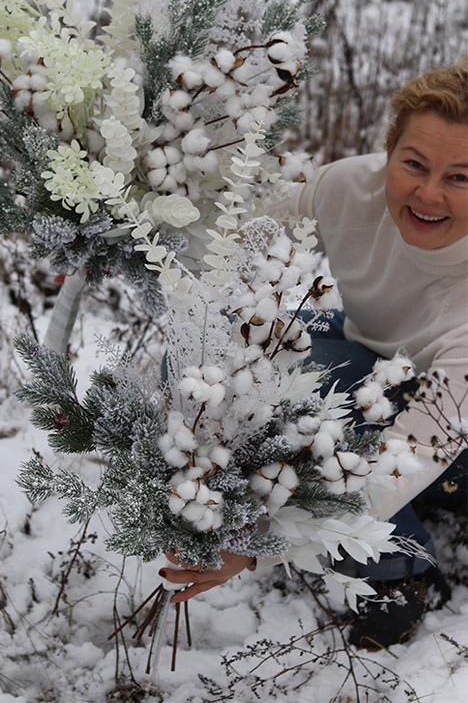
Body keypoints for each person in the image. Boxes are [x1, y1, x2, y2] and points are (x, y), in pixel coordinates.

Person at [159, 58, 468, 649]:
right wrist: (127, 225)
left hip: (449, 426)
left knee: (302, 406)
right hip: (374, 348)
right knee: (206, 351)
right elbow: (235, 227)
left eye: (461, 177)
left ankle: (397, 570)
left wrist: (258, 543)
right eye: (414, 164)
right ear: (388, 151)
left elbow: (409, 454)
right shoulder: (350, 187)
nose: (429, 193)